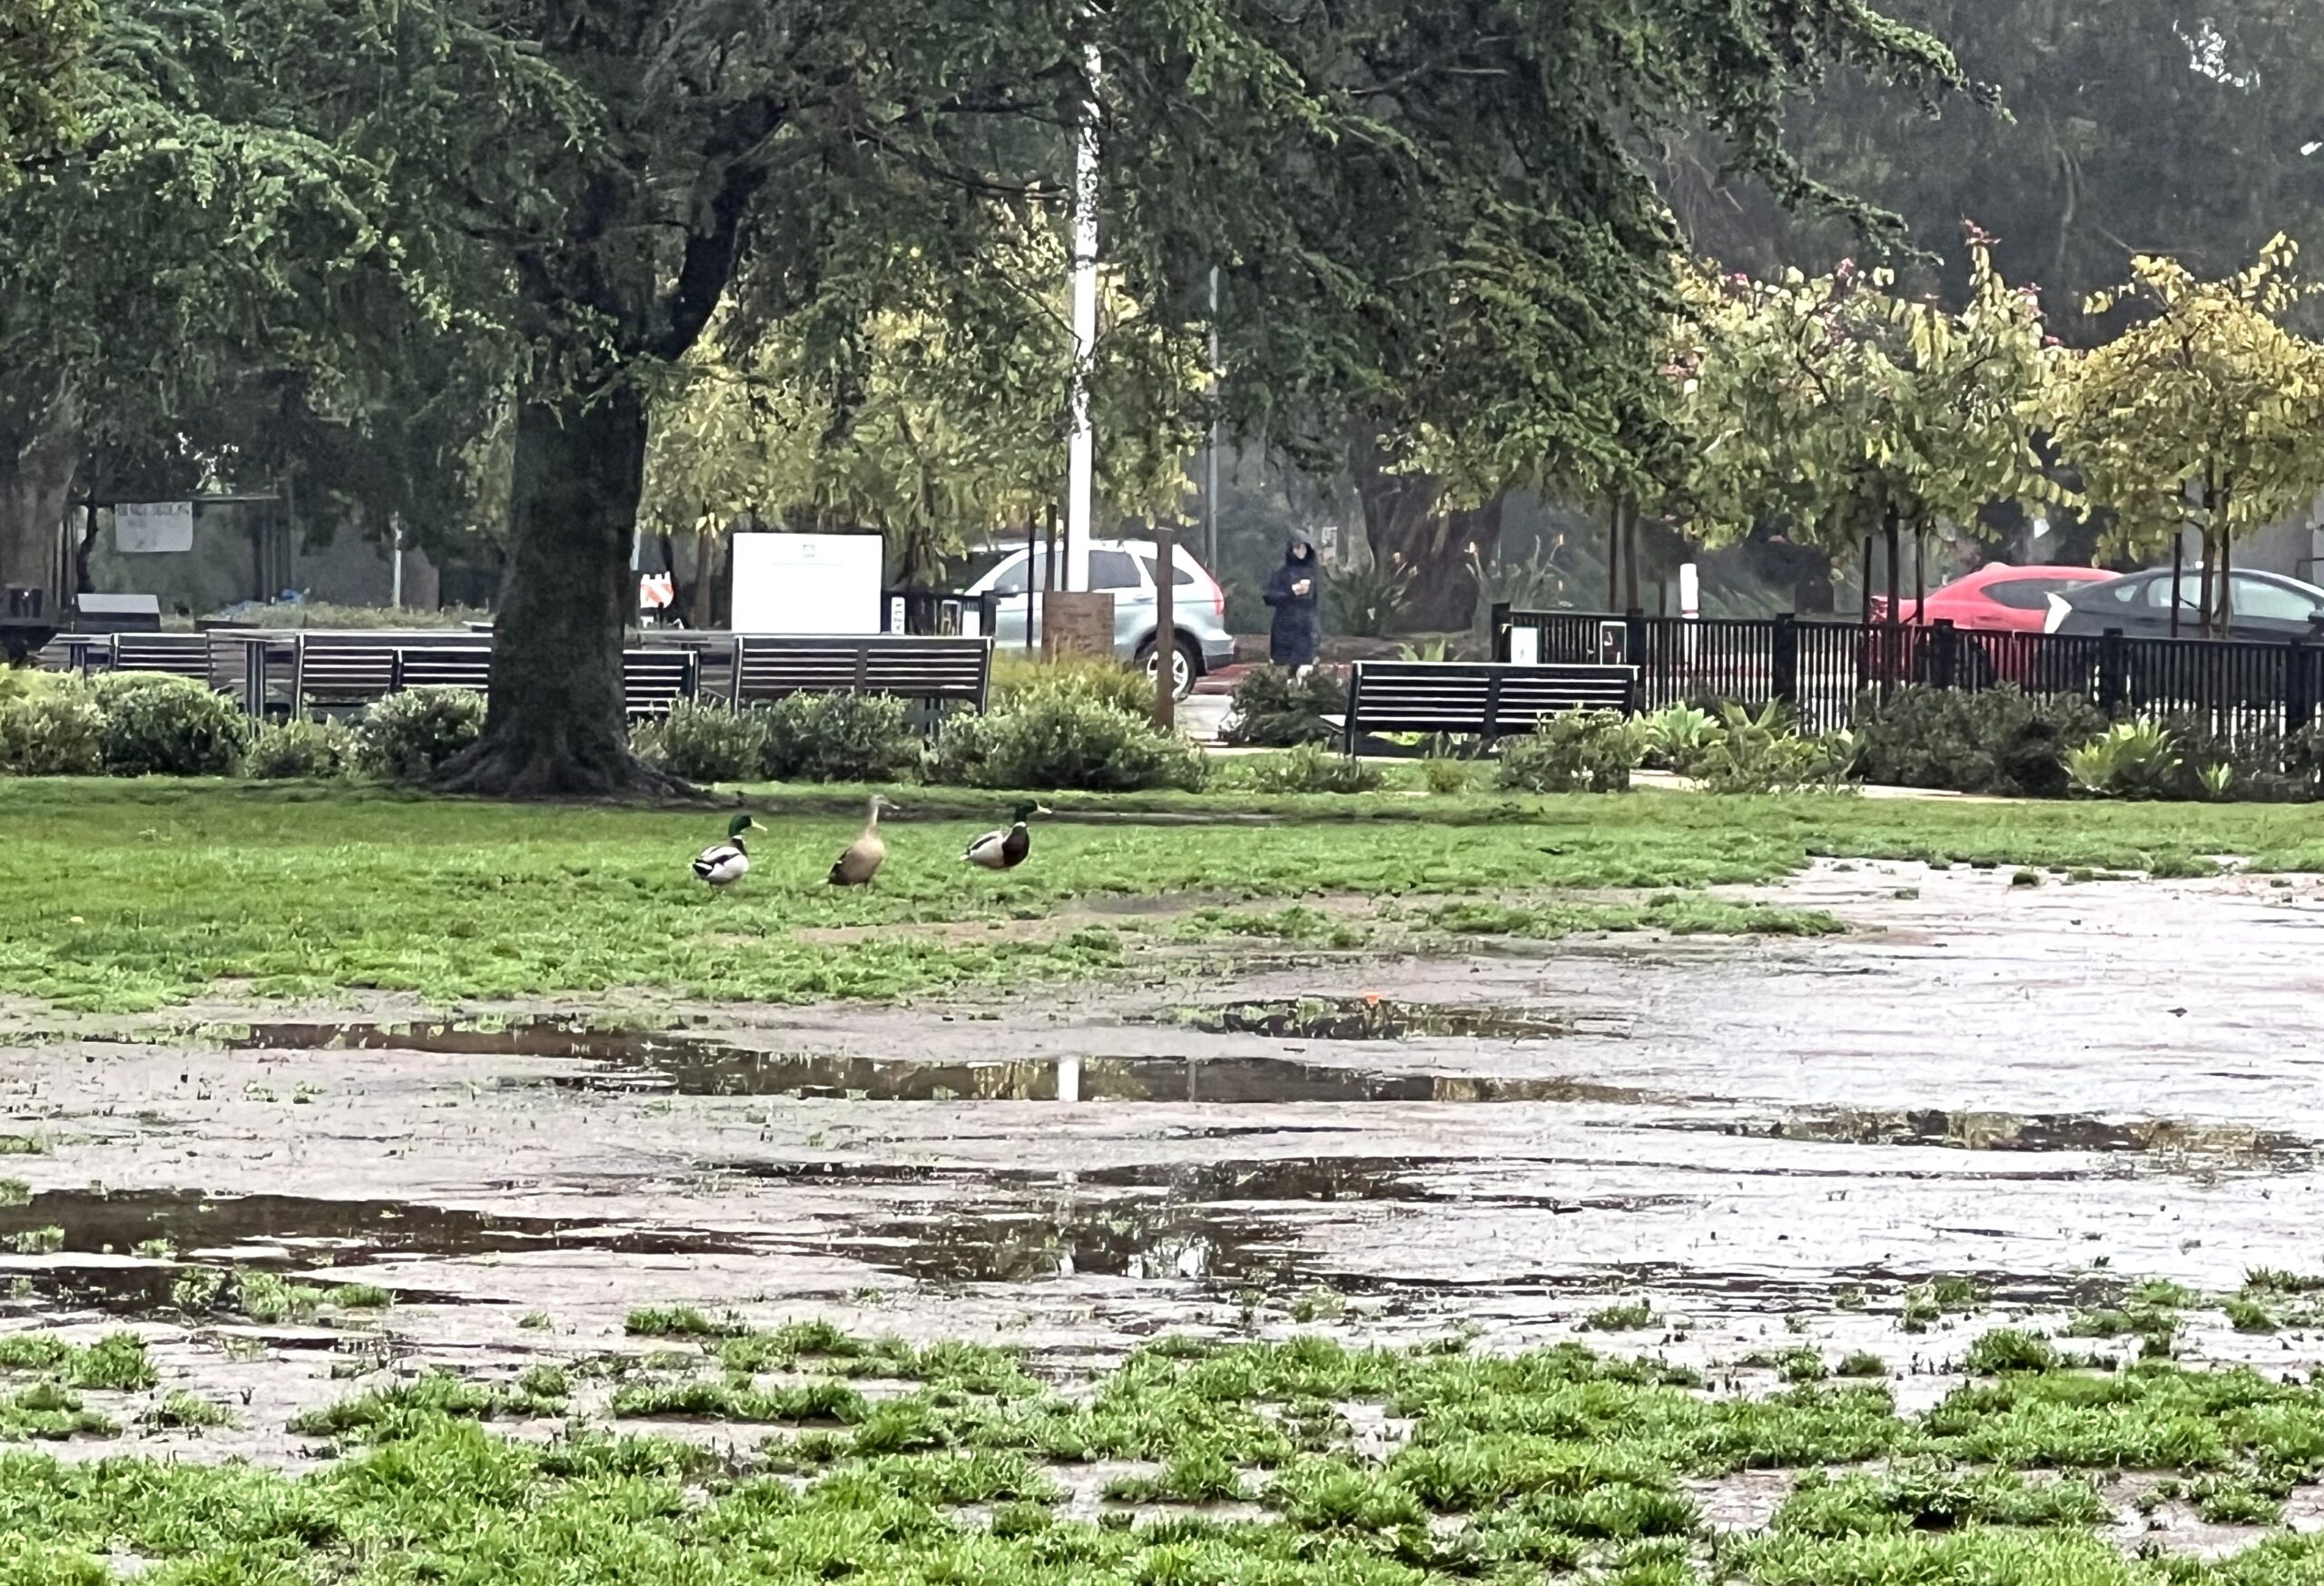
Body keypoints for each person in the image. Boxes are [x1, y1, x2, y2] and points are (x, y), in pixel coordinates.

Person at [1262, 530, 1322, 672]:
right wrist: (1290, 593)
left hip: (1305, 630)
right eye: (1297, 547)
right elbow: (1268, 596)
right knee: (1282, 670)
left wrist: (1316, 633)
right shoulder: (1281, 573)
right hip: (1284, 629)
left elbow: (1318, 602)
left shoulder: (1314, 573)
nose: (1300, 551)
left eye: (1303, 547)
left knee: (1304, 671)